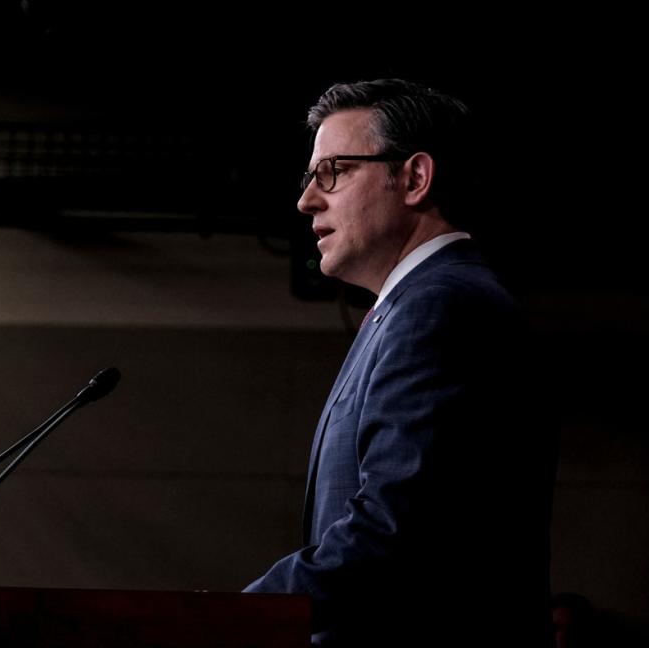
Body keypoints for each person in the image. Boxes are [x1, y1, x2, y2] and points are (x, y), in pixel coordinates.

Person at [243, 79, 556, 647]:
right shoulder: (414, 306)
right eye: (310, 176)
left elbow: (392, 531)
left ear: (414, 178)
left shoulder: (441, 306)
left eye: (333, 170)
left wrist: (234, 619)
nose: (307, 199)